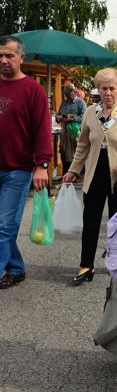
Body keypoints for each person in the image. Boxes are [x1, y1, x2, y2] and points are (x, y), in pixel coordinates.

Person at [62, 68, 117, 285]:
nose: (107, 93)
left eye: (111, 88)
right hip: (94, 173)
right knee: (91, 221)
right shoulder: (90, 112)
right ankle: (86, 265)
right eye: (103, 88)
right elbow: (83, 145)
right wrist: (73, 170)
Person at [0, 35, 52, 289]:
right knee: (3, 227)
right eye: (0, 55)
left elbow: (42, 129)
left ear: (21, 57)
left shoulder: (33, 90)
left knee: (3, 225)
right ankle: (16, 267)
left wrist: (41, 165)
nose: (4, 60)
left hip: (18, 170)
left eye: (9, 55)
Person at [56, 84, 87, 175]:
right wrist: (58, 118)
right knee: (64, 153)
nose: (68, 97)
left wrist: (73, 118)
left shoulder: (80, 102)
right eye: (66, 96)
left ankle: (79, 175)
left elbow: (85, 117)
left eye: (69, 95)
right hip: (65, 132)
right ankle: (66, 174)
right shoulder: (64, 102)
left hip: (75, 132)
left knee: (77, 153)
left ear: (74, 92)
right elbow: (59, 114)